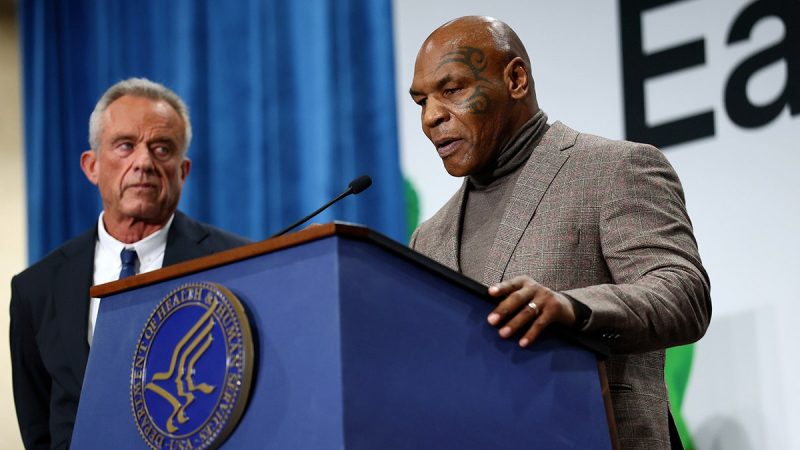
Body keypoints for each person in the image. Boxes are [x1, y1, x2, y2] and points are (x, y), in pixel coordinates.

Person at [408, 16, 711, 449]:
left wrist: (574, 308)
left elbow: (682, 295)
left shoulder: (613, 169)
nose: (431, 117)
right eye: (421, 101)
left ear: (515, 79)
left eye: (452, 90)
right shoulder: (427, 239)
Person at [9, 78, 249, 449]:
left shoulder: (238, 265)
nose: (144, 162)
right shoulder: (37, 289)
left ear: (183, 171)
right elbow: (39, 426)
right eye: (125, 145)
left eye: (162, 148)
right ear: (92, 166)